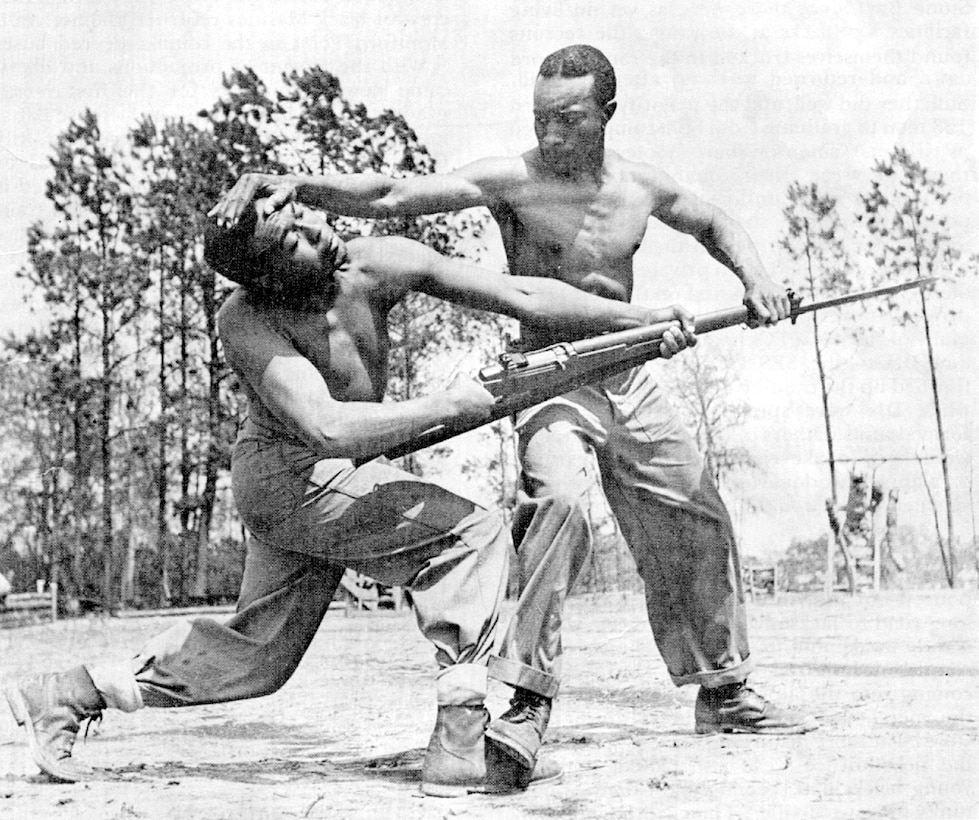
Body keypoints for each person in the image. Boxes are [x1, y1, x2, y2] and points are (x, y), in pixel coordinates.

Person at [211, 43, 819, 771]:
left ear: (606, 115)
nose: (551, 137)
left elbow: (714, 221)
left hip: (633, 371)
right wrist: (295, 181)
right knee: (557, 500)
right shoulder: (512, 179)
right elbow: (390, 197)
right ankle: (525, 703)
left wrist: (757, 279)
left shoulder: (640, 187)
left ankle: (722, 691)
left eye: (568, 120)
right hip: (551, 375)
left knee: (694, 508)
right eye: (541, 119)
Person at [5, 195, 695, 795]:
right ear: (264, 275)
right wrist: (447, 404)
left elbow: (521, 295)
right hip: (287, 481)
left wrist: (631, 321)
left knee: (258, 657)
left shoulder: (374, 262)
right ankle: (460, 742)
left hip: (327, 479)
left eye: (304, 213)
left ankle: (66, 694)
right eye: (293, 238)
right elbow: (327, 429)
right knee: (472, 534)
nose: (316, 230)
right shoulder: (246, 320)